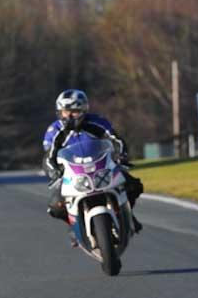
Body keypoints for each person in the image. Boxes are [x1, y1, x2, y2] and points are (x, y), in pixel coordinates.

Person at [42, 89, 143, 241]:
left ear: (83, 110)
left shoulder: (98, 122)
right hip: (72, 173)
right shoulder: (54, 130)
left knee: (134, 186)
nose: (69, 115)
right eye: (65, 111)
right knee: (56, 206)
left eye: (74, 111)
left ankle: (127, 214)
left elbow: (117, 141)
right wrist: (54, 172)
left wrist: (121, 157)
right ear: (59, 112)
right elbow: (49, 155)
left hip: (101, 167)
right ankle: (74, 226)